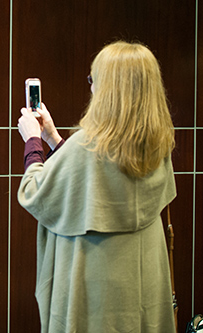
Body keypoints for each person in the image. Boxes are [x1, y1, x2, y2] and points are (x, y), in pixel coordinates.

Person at [17, 41, 176, 332]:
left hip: (95, 281)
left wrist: (33, 140)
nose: (91, 88)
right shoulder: (158, 142)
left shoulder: (88, 145)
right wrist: (54, 139)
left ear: (109, 89)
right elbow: (96, 179)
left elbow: (35, 192)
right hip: (143, 279)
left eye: (94, 80)